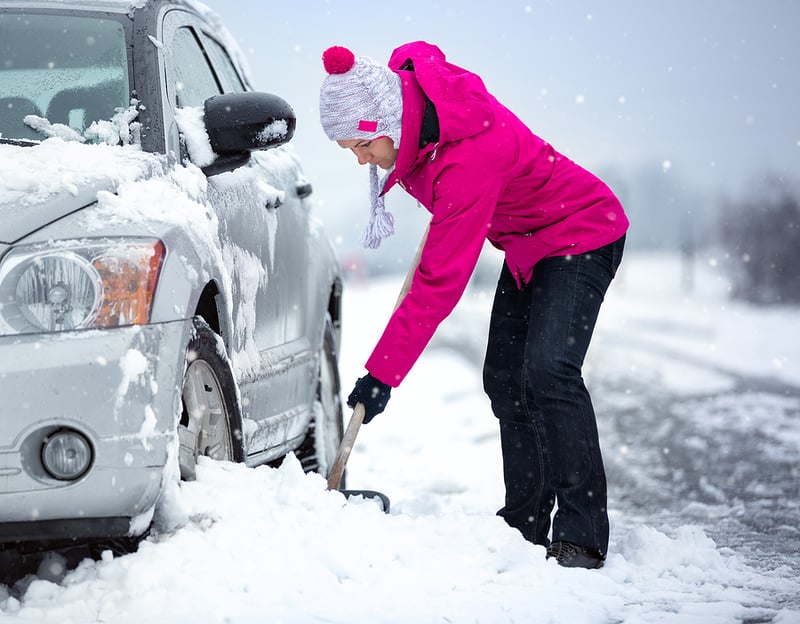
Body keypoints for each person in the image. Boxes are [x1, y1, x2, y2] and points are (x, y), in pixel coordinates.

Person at [318, 42, 628, 569]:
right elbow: (417, 54)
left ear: (386, 124)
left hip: (581, 232)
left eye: (361, 146)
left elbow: (439, 282)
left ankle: (581, 531)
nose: (361, 160)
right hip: (529, 243)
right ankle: (526, 522)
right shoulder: (412, 112)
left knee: (549, 369)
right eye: (351, 151)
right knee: (505, 378)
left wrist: (382, 376)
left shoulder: (467, 161)